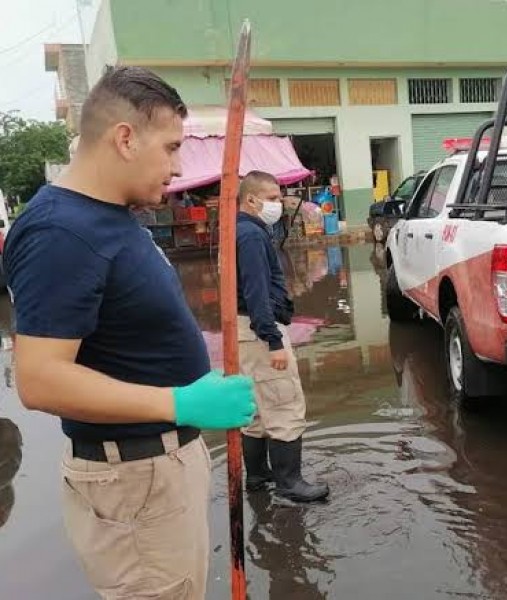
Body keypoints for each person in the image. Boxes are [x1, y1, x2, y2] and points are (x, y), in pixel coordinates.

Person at [2, 66, 256, 599]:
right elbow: (41, 380)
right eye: (170, 148)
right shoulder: (61, 231)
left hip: (156, 470)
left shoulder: (111, 216)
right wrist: (181, 401)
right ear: (124, 138)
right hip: (135, 479)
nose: (178, 166)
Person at [236, 170, 329, 503]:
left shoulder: (246, 231)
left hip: (247, 330)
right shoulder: (250, 236)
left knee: (258, 411)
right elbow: (256, 291)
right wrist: (273, 341)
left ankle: (260, 477)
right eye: (273, 198)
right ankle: (289, 484)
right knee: (284, 405)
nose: (279, 204)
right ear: (251, 199)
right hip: (260, 330)